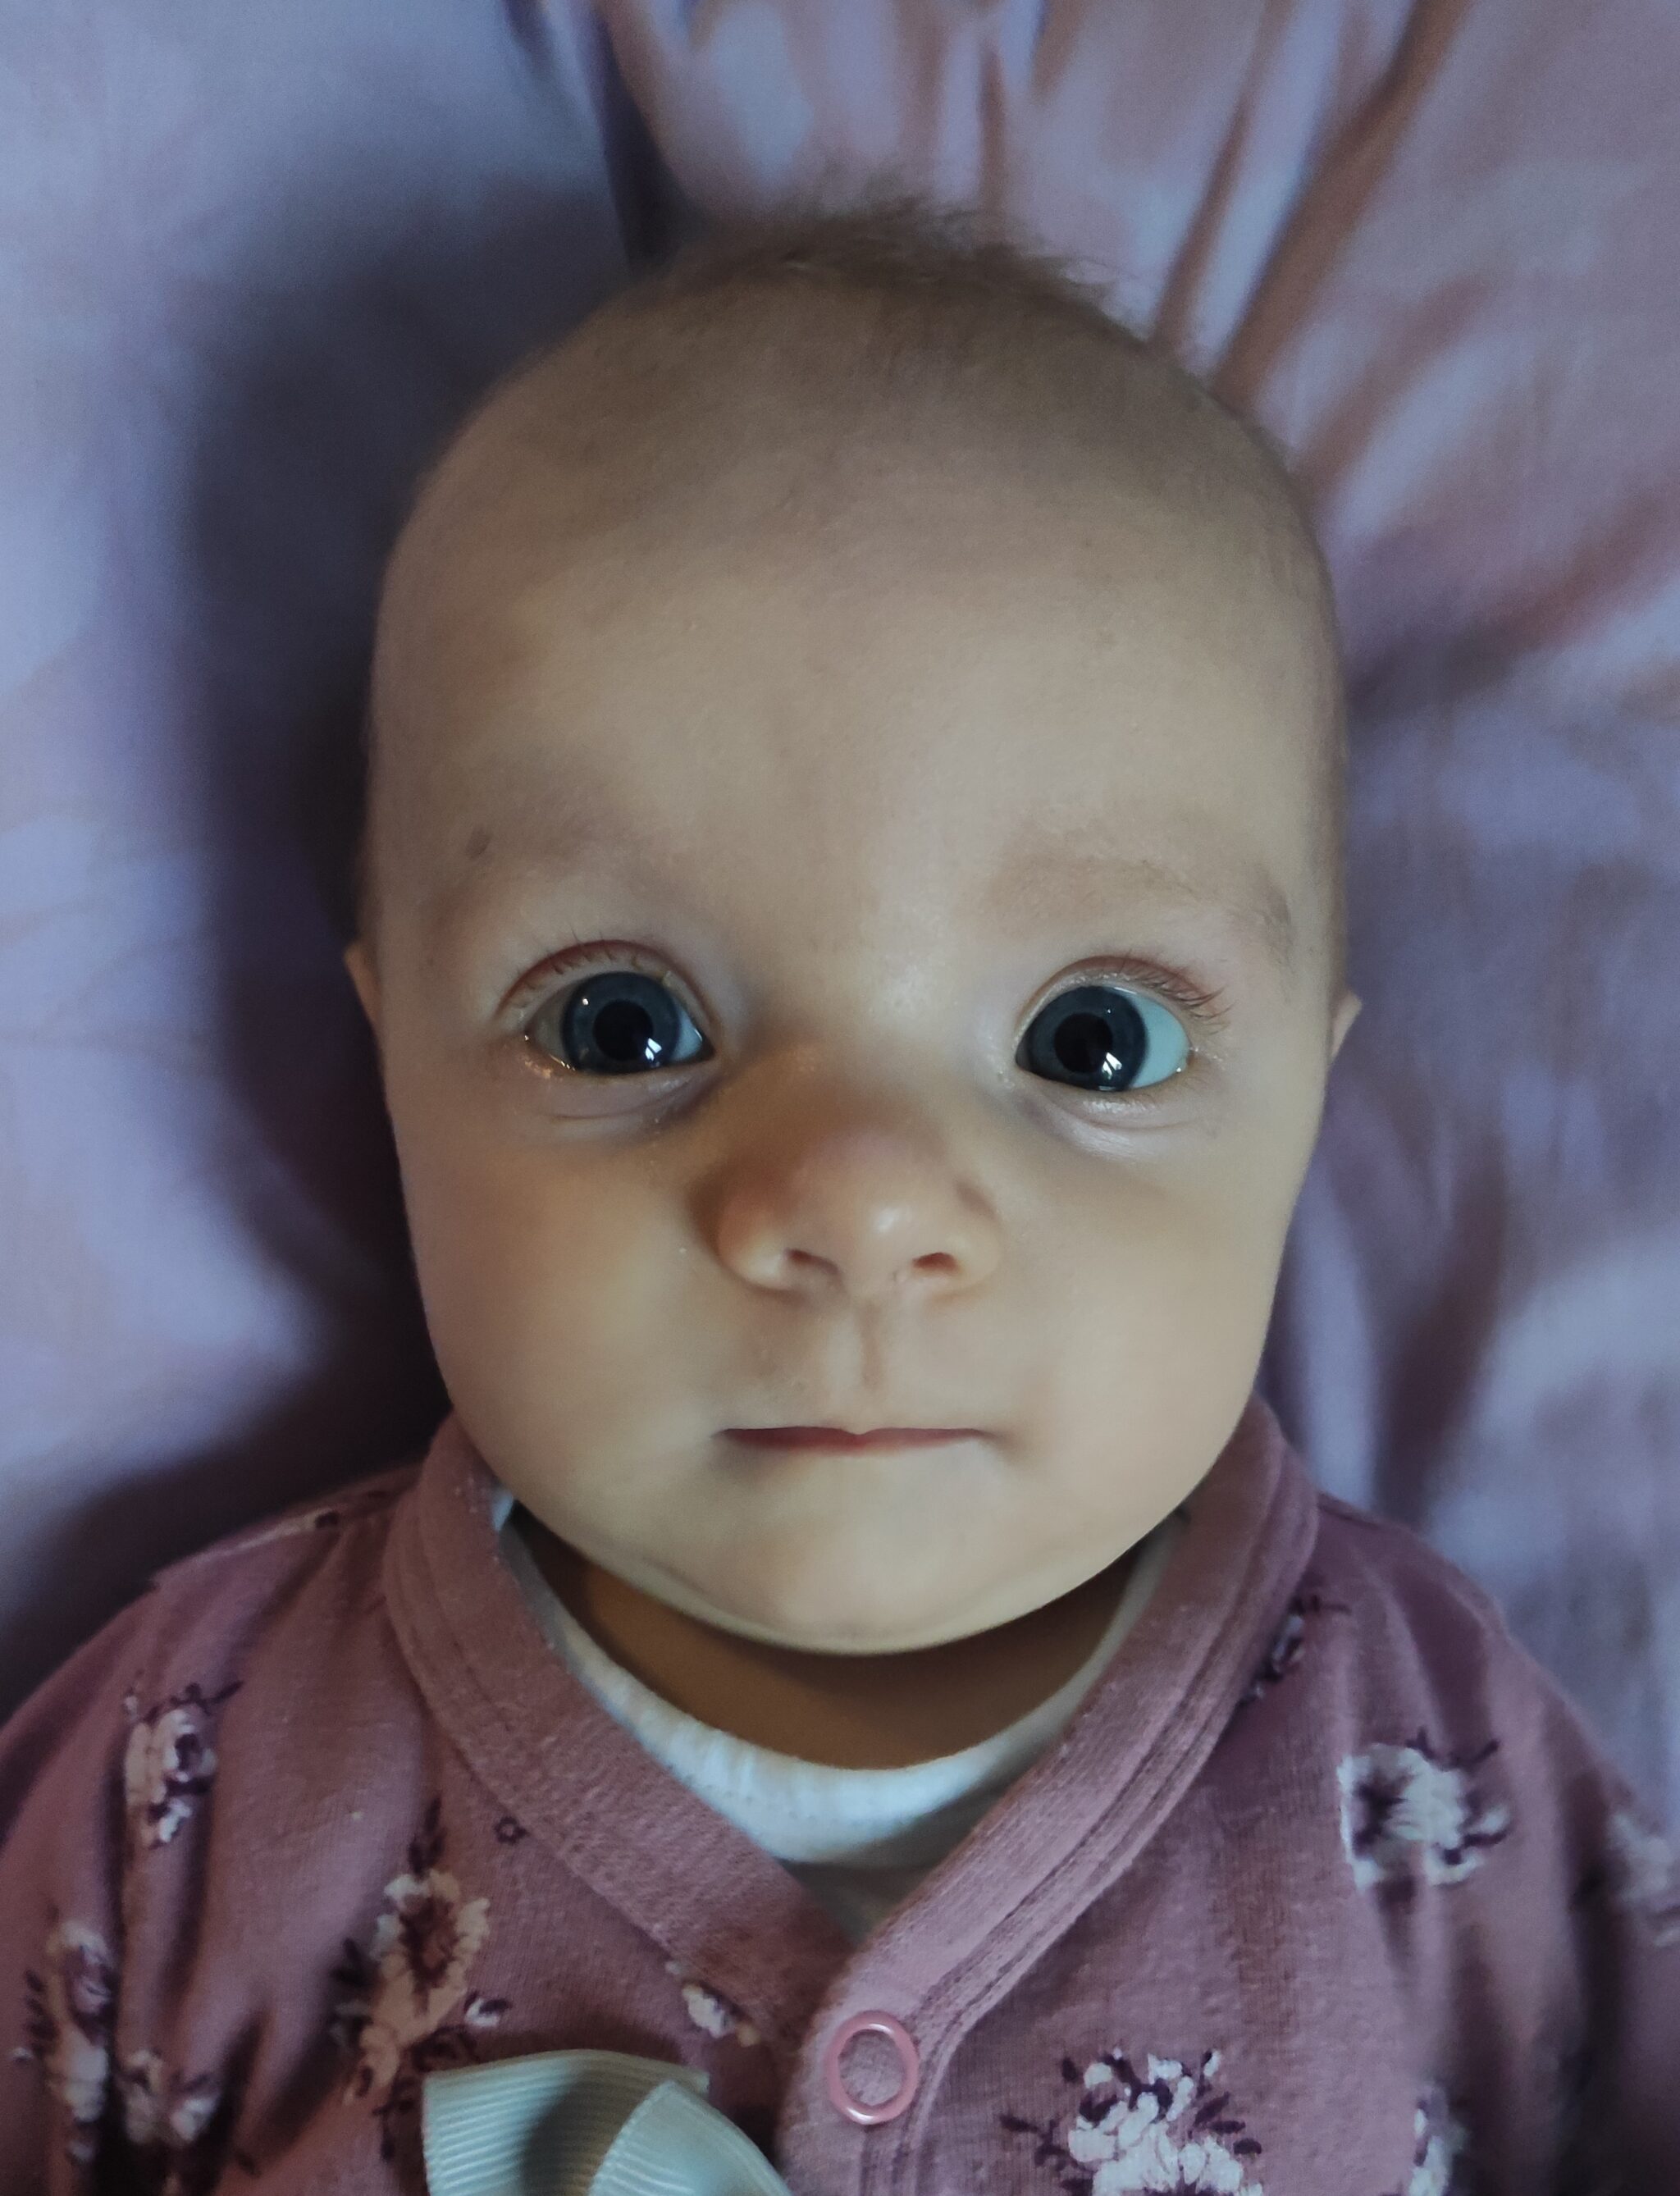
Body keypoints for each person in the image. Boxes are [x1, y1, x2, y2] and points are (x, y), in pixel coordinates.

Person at [2, 203, 1674, 2196]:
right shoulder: (184, 1779)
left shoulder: (1437, 1765)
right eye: (621, 1025)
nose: (861, 1206)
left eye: (1094, 1041)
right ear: (391, 1056)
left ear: (1307, 1096)